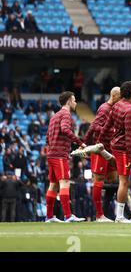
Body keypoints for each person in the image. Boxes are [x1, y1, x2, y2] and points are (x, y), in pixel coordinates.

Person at [98, 81, 131, 223]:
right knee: (124, 182)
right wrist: (130, 156)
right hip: (123, 150)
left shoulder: (117, 105)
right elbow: (129, 137)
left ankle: (120, 215)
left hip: (114, 146)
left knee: (121, 181)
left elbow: (107, 126)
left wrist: (100, 140)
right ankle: (120, 216)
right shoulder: (130, 110)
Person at [45, 91, 86, 223]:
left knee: (53, 185)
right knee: (64, 182)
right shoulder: (66, 114)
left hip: (51, 154)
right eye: (74, 100)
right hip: (60, 155)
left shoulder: (55, 116)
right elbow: (65, 130)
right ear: (68, 101)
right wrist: (80, 142)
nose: (75, 103)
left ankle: (49, 216)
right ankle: (68, 216)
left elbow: (47, 137)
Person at [83, 87, 121, 222]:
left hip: (111, 148)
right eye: (121, 98)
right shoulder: (104, 109)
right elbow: (94, 126)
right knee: (98, 180)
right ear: (115, 96)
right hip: (100, 148)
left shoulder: (114, 109)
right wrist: (85, 144)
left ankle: (116, 215)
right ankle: (99, 215)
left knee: (114, 179)